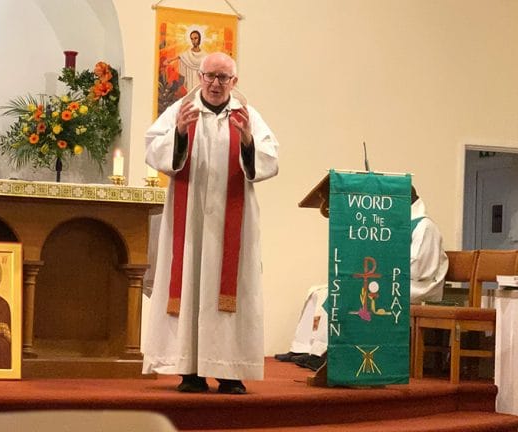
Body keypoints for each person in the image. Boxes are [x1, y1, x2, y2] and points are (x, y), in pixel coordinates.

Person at [142, 52, 279, 395]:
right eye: (210, 76)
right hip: (189, 225)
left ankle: (230, 371)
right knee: (189, 285)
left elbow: (270, 157)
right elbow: (153, 148)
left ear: (235, 82)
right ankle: (190, 370)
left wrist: (247, 140)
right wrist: (179, 134)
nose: (216, 84)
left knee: (232, 292)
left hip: (234, 226)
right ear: (199, 77)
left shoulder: (247, 116)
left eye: (224, 78)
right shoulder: (182, 111)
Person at [275, 185, 448, 368]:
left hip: (416, 287)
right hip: (391, 280)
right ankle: (303, 347)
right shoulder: (400, 224)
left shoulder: (425, 226)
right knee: (320, 291)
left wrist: (382, 271)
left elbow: (420, 269)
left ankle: (326, 353)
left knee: (347, 291)